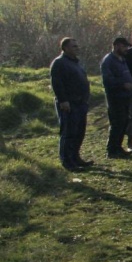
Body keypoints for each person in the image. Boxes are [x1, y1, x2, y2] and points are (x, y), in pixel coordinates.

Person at [50, 37, 93, 171]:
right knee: (68, 132)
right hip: (68, 104)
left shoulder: (76, 62)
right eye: (74, 46)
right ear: (65, 48)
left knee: (79, 132)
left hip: (80, 103)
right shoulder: (59, 63)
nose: (77, 48)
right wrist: (63, 100)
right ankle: (67, 161)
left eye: (77, 45)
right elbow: (57, 83)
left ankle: (75, 157)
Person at [100, 37, 132, 158]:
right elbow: (108, 80)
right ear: (116, 46)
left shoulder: (122, 59)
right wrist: (123, 84)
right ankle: (111, 150)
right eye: (124, 46)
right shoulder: (108, 61)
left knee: (124, 122)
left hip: (125, 97)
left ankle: (118, 147)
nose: (126, 49)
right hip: (115, 97)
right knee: (116, 123)